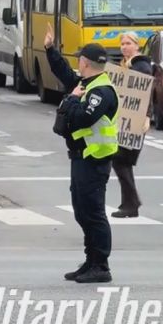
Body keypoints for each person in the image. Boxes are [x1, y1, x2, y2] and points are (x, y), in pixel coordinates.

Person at [44, 23, 119, 284]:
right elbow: (64, 74)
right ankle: (90, 261)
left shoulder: (101, 92)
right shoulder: (87, 84)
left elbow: (81, 120)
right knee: (81, 211)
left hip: (94, 159)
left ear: (85, 63)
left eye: (80, 61)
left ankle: (101, 266)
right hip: (81, 157)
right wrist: (50, 49)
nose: (77, 65)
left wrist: (72, 100)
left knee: (93, 212)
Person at [111, 31, 153, 218]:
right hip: (125, 120)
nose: (124, 47)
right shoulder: (126, 66)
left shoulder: (141, 66)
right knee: (121, 161)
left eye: (128, 43)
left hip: (136, 120)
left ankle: (131, 203)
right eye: (122, 44)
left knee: (121, 160)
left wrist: (147, 116)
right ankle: (130, 203)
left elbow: (145, 93)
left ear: (137, 45)